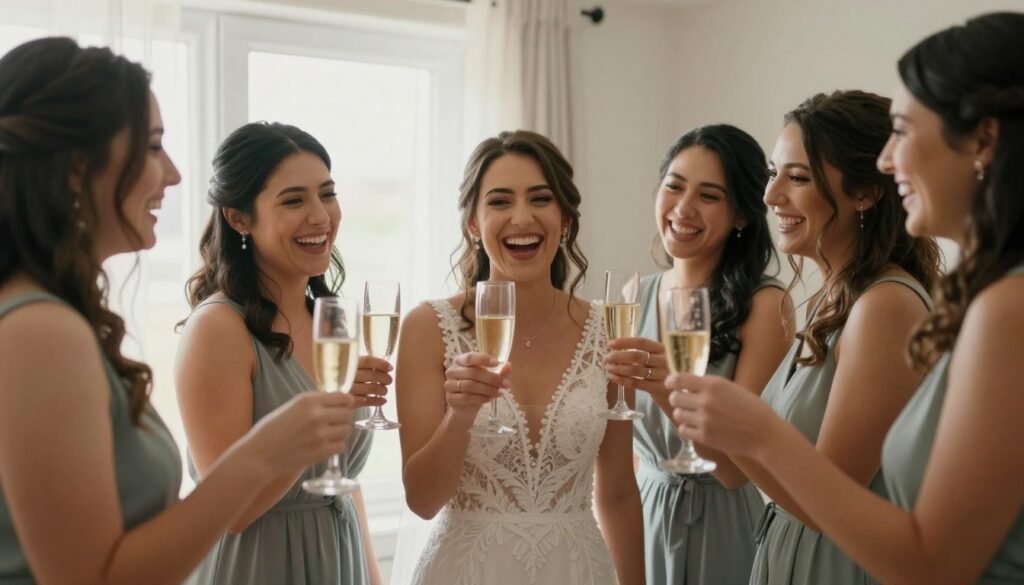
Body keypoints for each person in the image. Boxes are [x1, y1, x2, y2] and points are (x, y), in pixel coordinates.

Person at [669, 12, 1024, 585]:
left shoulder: (997, 308)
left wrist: (760, 431)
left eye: (904, 132)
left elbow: (932, 560)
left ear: (983, 140)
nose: (889, 160)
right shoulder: (978, 298)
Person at [0, 38, 355, 584]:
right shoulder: (38, 330)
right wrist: (263, 453)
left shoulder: (50, 319)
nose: (173, 174)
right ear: (77, 168)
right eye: (152, 147)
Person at [686, 90, 942, 585]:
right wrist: (706, 417)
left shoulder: (884, 306)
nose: (770, 196)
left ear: (865, 192)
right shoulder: (835, 298)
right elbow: (778, 484)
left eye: (798, 177)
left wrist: (746, 428)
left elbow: (828, 503)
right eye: (772, 173)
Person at [395, 130, 644, 585]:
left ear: (565, 217)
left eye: (540, 198)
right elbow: (423, 500)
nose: (521, 217)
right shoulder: (426, 328)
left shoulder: (607, 328)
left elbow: (619, 492)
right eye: (500, 201)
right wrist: (461, 415)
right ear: (473, 222)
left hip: (578, 570)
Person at [175, 121, 386, 585]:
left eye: (327, 194)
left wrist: (373, 578)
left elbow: (343, 484)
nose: (321, 216)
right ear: (239, 218)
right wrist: (328, 411)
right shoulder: (218, 328)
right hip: (257, 564)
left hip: (338, 557)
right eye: (294, 200)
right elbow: (231, 512)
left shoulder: (330, 320)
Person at [603, 124, 793, 584]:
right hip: (641, 517)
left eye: (709, 196)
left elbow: (735, 470)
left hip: (725, 527)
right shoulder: (632, 297)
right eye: (674, 186)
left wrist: (670, 388)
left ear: (743, 215)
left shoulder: (766, 305)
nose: (683, 208)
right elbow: (614, 452)